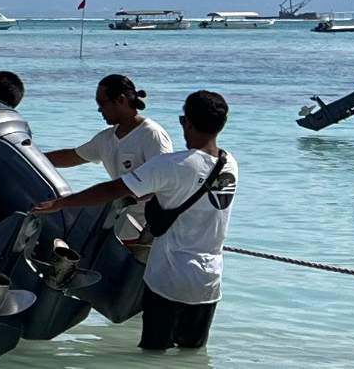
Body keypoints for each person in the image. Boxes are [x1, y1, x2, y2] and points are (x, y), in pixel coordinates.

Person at [34, 90, 238, 352]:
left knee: (153, 354)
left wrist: (61, 203)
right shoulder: (229, 163)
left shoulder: (171, 165)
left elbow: (113, 190)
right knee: (192, 355)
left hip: (169, 278)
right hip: (208, 281)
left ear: (187, 122)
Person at [43, 74, 173, 240]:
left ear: (121, 100)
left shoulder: (152, 134)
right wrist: (30, 158)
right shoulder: (106, 138)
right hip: (119, 228)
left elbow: (164, 182)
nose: (99, 110)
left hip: (149, 232)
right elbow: (71, 156)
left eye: (102, 104)